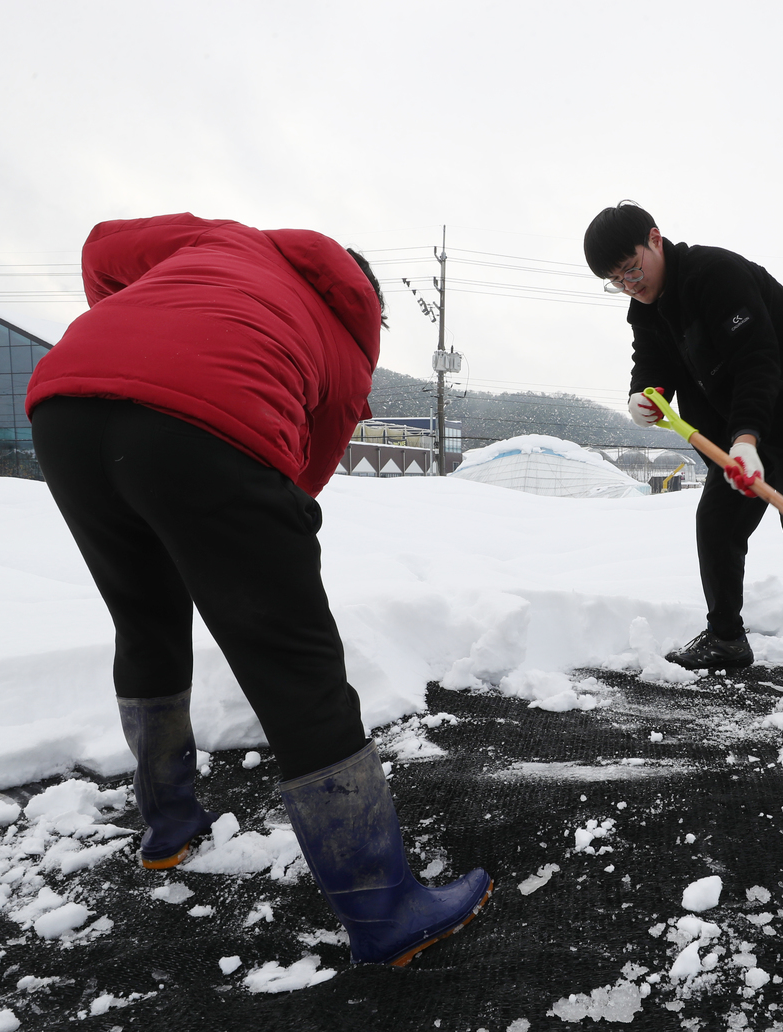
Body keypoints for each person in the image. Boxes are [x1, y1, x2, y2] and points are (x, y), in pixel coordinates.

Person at [25, 213, 491, 966]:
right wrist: (241, 551)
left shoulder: (224, 239)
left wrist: (128, 325)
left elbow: (100, 245)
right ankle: (386, 910)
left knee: (145, 623)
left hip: (67, 403)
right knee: (295, 665)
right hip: (210, 421)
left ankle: (168, 828)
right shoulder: (349, 339)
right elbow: (304, 470)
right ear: (365, 299)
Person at [583, 201, 783, 717]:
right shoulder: (645, 309)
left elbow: (758, 362)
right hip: (735, 425)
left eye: (632, 269)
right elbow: (653, 364)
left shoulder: (716, 274)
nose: (629, 284)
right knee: (718, 523)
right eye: (615, 280)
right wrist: (645, 395)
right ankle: (727, 639)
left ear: (656, 238)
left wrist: (749, 438)